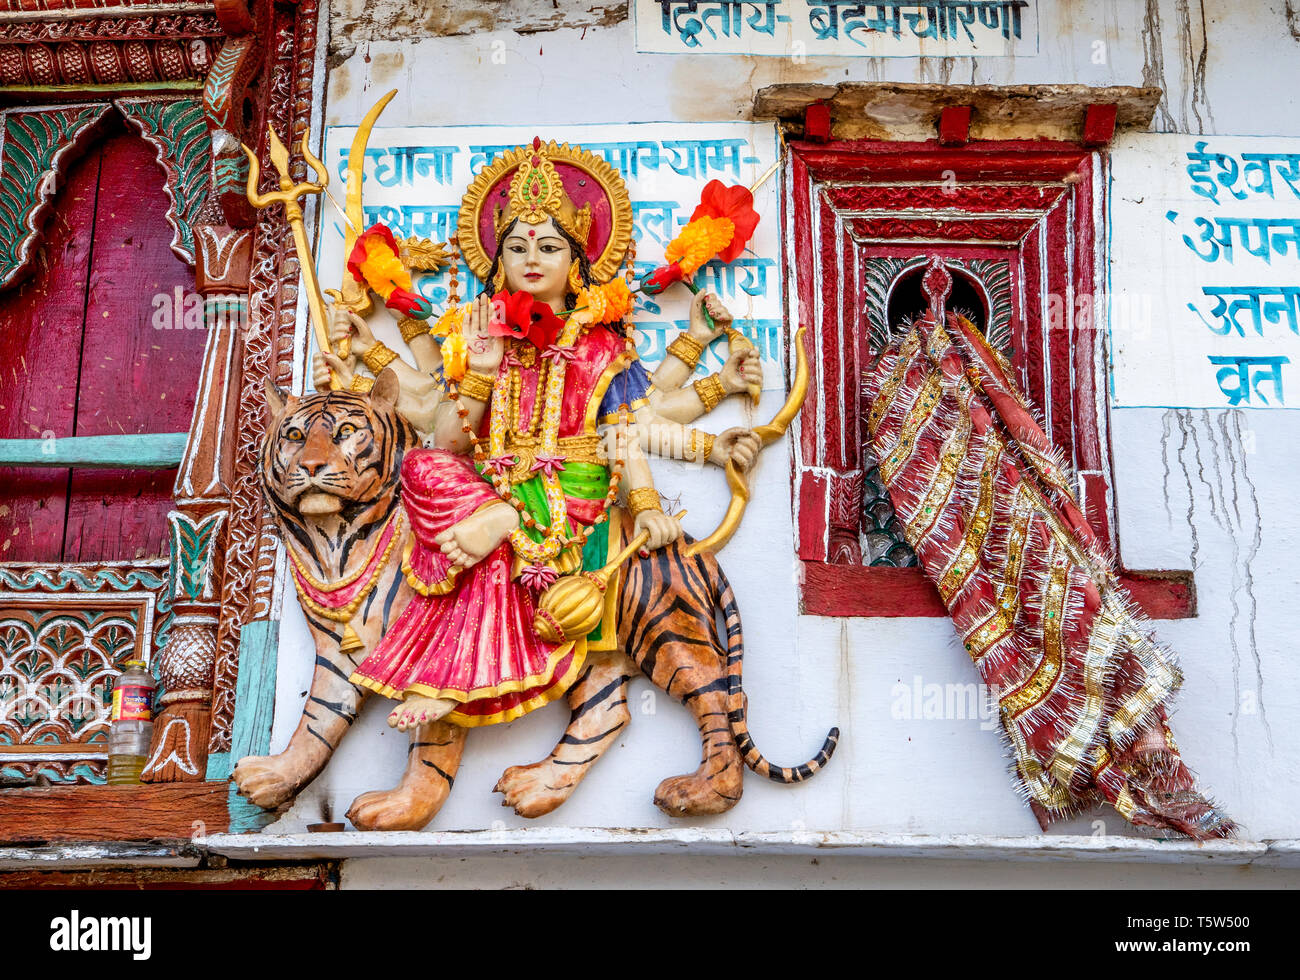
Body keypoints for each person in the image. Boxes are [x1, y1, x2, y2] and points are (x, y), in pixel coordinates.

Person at [315, 138, 761, 730]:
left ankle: (465, 667)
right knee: (420, 468)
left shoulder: (603, 349)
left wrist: (648, 503)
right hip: (489, 491)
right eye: (517, 246)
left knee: (497, 541)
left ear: (576, 264)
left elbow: (627, 431)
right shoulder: (474, 339)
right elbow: (448, 441)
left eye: (549, 246)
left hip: (568, 496)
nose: (532, 256)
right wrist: (477, 370)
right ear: (496, 263)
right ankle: (495, 522)